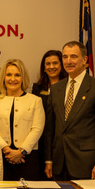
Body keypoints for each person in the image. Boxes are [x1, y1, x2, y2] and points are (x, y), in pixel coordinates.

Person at [44, 41, 95, 180]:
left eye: (73, 56)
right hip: (59, 164)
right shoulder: (56, 89)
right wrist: (49, 160)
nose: (68, 61)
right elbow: (50, 128)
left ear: (84, 60)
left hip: (87, 165)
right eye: (65, 57)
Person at [0, 59, 45, 180]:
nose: (13, 79)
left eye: (17, 75)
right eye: (9, 75)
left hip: (27, 158)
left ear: (23, 78)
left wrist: (20, 152)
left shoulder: (35, 100)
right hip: (1, 156)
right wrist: (6, 150)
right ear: (3, 77)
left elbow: (37, 129)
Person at [31, 50, 66, 178]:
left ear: (61, 65)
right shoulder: (37, 88)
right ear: (43, 68)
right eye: (48, 64)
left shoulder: (68, 86)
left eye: (55, 63)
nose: (51, 67)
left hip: (61, 138)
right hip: (42, 138)